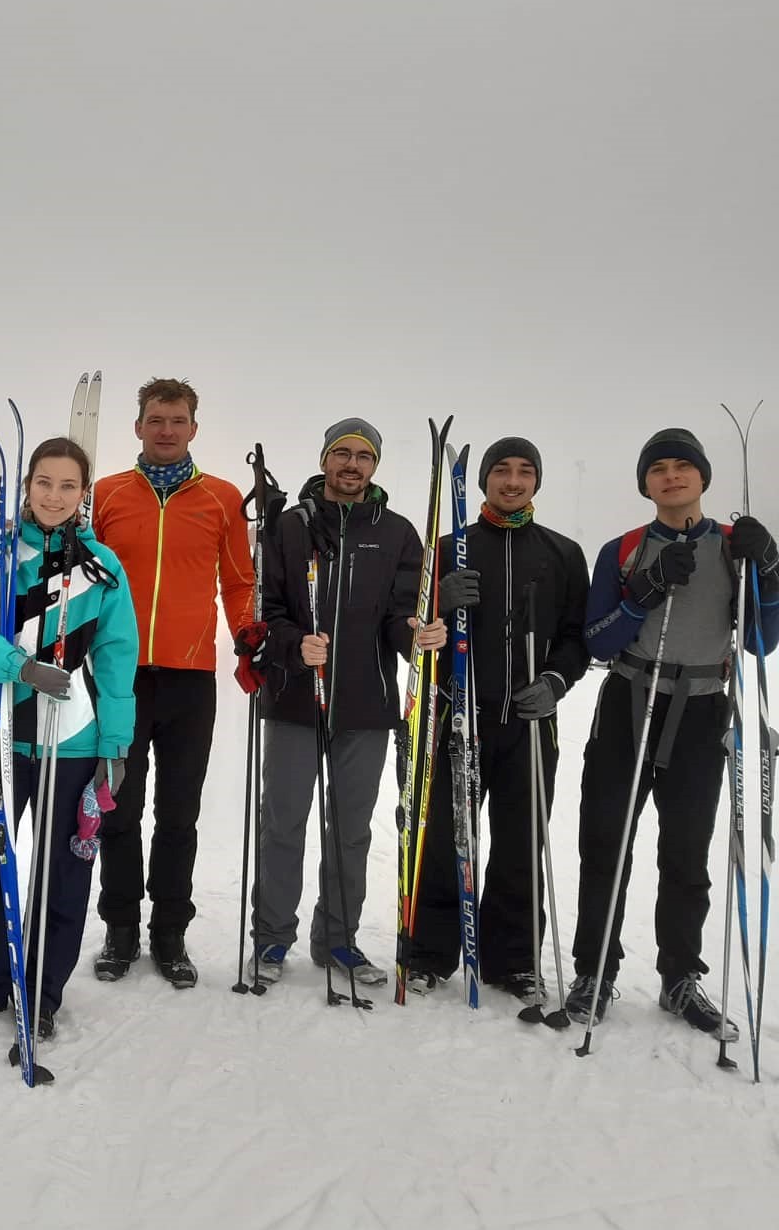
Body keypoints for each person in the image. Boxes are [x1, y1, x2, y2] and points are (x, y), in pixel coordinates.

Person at [564, 429, 779, 1033]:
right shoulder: (625, 548)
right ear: (645, 483)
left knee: (686, 851)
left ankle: (681, 977)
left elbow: (762, 641)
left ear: (703, 477)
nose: (671, 476)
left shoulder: (738, 547)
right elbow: (599, 639)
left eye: (683, 465)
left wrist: (771, 568)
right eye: (658, 468)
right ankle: (595, 970)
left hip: (705, 705)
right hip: (632, 698)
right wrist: (647, 590)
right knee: (606, 840)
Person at [0, 437, 138, 1040]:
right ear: (27, 486)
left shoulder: (102, 565)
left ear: (83, 494)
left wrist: (116, 746)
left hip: (73, 743)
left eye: (68, 486)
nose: (54, 496)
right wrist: (19, 667)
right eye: (43, 483)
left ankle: (43, 991)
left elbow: (115, 659)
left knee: (63, 873)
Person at [247, 418, 445, 986]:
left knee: (350, 829)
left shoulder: (398, 533)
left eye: (363, 456)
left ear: (375, 466)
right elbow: (267, 607)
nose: (352, 464)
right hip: (294, 698)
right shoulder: (286, 528)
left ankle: (337, 939)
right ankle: (271, 938)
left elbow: (399, 615)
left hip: (365, 705)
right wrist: (291, 643)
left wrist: (417, 636)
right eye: (342, 453)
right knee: (283, 822)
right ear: (325, 460)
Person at [405, 438, 590, 1000]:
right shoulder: (448, 548)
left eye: (525, 471)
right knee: (442, 839)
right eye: (501, 471)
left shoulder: (561, 552)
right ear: (484, 479)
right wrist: (436, 597)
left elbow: (577, 638)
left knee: (519, 841)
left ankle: (511, 959)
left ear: (537, 481)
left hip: (527, 722)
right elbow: (409, 631)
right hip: (458, 717)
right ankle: (430, 952)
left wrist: (557, 679)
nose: (513, 481)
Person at [90, 377, 256, 987]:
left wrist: (247, 634)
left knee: (178, 812)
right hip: (118, 676)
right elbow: (84, 577)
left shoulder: (221, 498)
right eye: (155, 419)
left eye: (177, 419)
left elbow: (239, 582)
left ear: (193, 427)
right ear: (138, 427)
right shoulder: (106, 494)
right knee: (119, 809)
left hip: (190, 679)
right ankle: (120, 928)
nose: (166, 429)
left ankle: (170, 933)